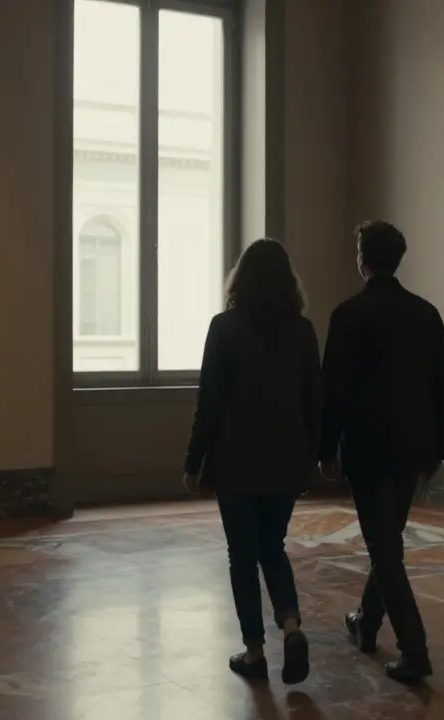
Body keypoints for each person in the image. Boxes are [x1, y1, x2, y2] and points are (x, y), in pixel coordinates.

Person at [319, 220, 444, 684]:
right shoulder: (426, 313)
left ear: (362, 259)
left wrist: (325, 448)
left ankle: (414, 651)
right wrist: (437, 447)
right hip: (413, 449)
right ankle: (366, 622)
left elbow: (333, 391)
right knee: (388, 543)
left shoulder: (348, 315)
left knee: (384, 549)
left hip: (368, 449)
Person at [182, 238, 321, 685]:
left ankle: (255, 651)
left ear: (240, 278)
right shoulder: (303, 331)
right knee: (272, 547)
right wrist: (313, 457)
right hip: (285, 462)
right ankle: (292, 625)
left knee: (241, 556)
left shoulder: (224, 328)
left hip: (235, 462)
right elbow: (313, 402)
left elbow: (209, 403)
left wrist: (193, 461)